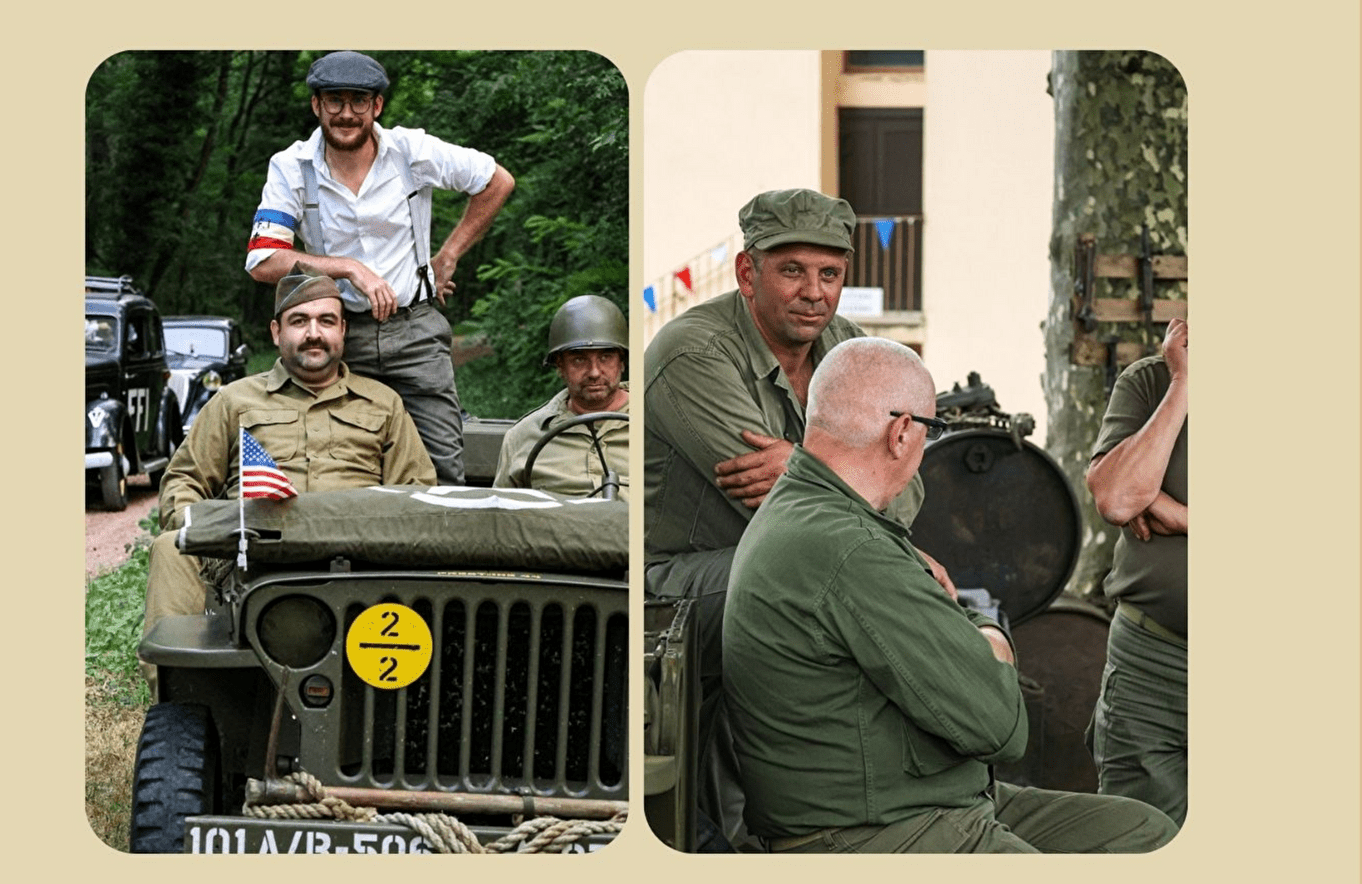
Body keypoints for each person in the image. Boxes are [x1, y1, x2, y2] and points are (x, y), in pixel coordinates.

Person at [723, 337, 1178, 853]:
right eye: (932, 429)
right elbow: (1000, 727)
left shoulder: (812, 509)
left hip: (925, 799)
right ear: (901, 433)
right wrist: (991, 633)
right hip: (875, 831)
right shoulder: (851, 548)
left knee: (1146, 833)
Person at [643, 188, 944, 849]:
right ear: (747, 273)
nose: (814, 292)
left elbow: (909, 488)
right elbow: (788, 510)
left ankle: (890, 805)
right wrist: (858, 484)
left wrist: (801, 465)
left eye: (829, 273)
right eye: (791, 270)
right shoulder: (693, 353)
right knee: (824, 583)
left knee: (864, 584)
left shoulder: (851, 348)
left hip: (796, 560)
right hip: (675, 586)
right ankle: (756, 832)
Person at [140, 272, 436, 691]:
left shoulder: (383, 403)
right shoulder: (235, 400)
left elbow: (417, 491)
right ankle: (180, 695)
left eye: (326, 321)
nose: (314, 333)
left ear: (343, 330)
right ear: (277, 332)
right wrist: (209, 532)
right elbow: (184, 479)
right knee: (171, 547)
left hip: (358, 561)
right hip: (250, 555)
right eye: (299, 321)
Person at [245, 50, 516, 485]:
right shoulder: (291, 167)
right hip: (340, 335)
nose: (346, 113)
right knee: (341, 464)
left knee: (442, 469)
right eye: (334, 100)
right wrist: (348, 268)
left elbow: (496, 180)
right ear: (316, 105)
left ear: (377, 106)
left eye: (358, 101)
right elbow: (263, 260)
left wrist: (448, 256)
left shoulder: (411, 151)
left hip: (415, 330)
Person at [1084, 316, 1189, 826]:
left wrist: (1183, 516)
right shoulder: (1149, 381)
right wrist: (1183, 385)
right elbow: (1117, 496)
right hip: (1152, 661)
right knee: (1139, 832)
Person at [493, 295, 631, 500]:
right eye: (579, 359)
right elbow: (503, 514)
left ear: (622, 362)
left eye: (605, 357)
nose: (594, 372)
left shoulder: (657, 422)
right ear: (560, 366)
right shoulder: (524, 437)